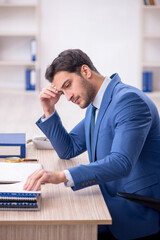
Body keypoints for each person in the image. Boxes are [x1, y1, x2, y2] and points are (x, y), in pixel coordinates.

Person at [24, 49, 160, 240]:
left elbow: (121, 163)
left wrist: (62, 176)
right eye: (63, 92)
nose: (68, 96)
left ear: (85, 71)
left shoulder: (129, 101)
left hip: (136, 210)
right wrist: (49, 110)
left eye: (68, 85)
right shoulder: (97, 106)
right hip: (109, 199)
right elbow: (69, 149)